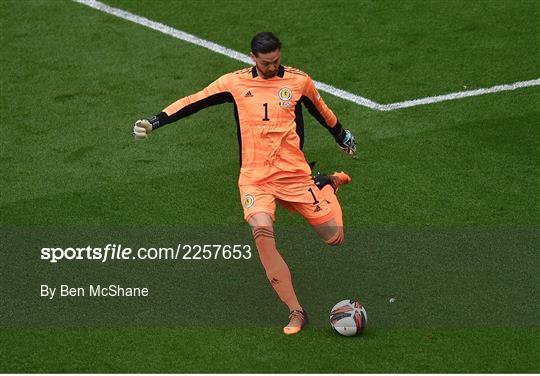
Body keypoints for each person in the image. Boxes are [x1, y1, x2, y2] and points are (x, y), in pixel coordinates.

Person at [133, 32, 357, 335]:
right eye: (266, 63)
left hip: (293, 175)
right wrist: (154, 121)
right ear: (253, 57)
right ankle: (296, 311)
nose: (273, 67)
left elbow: (322, 110)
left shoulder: (297, 81)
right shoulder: (235, 83)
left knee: (335, 237)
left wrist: (341, 135)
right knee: (262, 232)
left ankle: (326, 184)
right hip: (255, 177)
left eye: (277, 60)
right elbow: (194, 101)